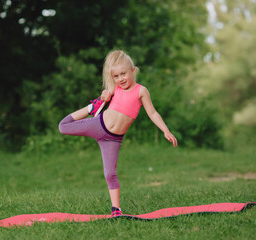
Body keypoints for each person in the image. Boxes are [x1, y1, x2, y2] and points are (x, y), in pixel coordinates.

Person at [58, 50, 177, 216]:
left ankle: (116, 209)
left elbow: (153, 113)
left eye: (123, 74)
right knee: (63, 126)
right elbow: (106, 94)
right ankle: (90, 107)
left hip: (113, 140)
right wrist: (104, 95)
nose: (121, 79)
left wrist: (165, 130)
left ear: (133, 71)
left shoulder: (141, 91)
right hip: (98, 125)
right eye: (116, 76)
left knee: (110, 173)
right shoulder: (116, 88)